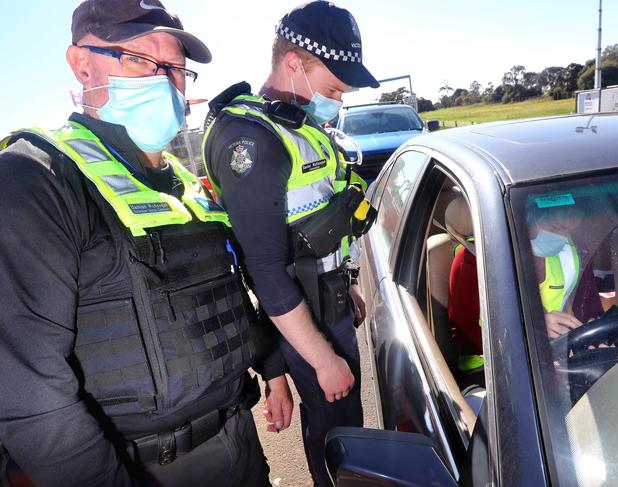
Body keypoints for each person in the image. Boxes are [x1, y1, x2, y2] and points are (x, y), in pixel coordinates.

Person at [0, 1, 293, 486]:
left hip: (237, 443)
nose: (166, 81)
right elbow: (28, 394)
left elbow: (225, 291)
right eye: (139, 59)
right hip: (135, 467)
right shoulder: (36, 181)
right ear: (82, 64)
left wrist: (273, 368)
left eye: (177, 68)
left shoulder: (186, 186)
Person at [202, 2, 379, 485]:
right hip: (307, 324)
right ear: (294, 62)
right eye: (333, 88)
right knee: (339, 442)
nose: (338, 100)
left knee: (347, 434)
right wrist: (323, 360)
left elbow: (315, 226)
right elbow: (264, 269)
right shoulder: (251, 140)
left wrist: (346, 282)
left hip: (329, 304)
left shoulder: (294, 122)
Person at [447, 198, 602, 373]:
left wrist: (594, 334)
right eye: (556, 228)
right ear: (525, 218)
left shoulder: (573, 252)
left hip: (553, 364)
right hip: (488, 369)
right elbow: (464, 333)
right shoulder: (474, 258)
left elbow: (588, 307)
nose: (563, 238)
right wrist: (531, 330)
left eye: (570, 231)